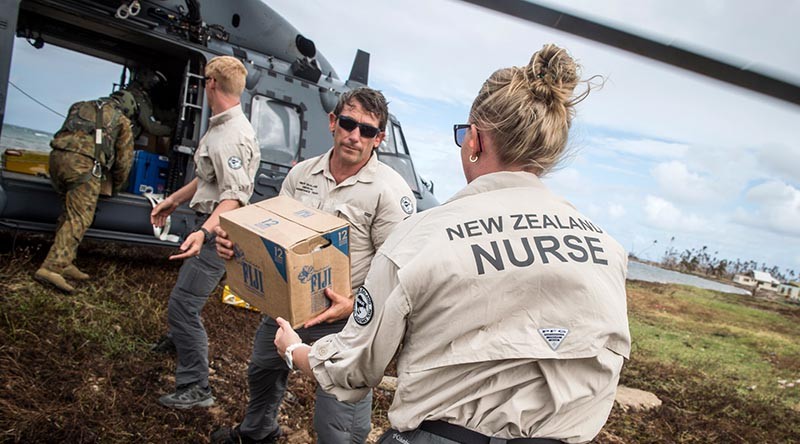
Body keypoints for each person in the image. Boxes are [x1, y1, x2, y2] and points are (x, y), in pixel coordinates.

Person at [274, 44, 631, 444]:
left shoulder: (420, 237)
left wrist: (294, 351)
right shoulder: (608, 250)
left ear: (474, 141)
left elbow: (353, 367)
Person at [211, 87, 416, 444]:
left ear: (379, 138)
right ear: (333, 122)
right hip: (287, 309)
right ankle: (258, 432)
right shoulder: (302, 174)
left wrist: (354, 305)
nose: (355, 136)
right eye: (349, 123)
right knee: (262, 370)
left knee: (338, 422)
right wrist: (237, 247)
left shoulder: (388, 192)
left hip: (344, 323)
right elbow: (272, 233)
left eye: (367, 130)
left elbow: (398, 272)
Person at [151, 55, 260, 409]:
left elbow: (235, 197)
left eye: (203, 80)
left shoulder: (231, 136)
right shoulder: (221, 127)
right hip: (212, 224)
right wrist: (173, 201)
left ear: (211, 84)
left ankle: (196, 387)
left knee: (184, 306)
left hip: (221, 232)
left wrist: (205, 234)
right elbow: (206, 177)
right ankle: (179, 339)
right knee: (186, 296)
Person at [34, 90, 136, 293]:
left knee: (68, 212)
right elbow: (124, 162)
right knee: (80, 217)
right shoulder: (122, 121)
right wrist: (116, 185)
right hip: (83, 166)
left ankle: (66, 261)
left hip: (57, 160)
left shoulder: (79, 105)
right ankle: (51, 268)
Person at [122, 67, 172, 140]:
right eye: (153, 80)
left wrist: (172, 117)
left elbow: (153, 112)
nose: (154, 83)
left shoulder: (142, 95)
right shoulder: (136, 96)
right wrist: (170, 130)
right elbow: (151, 127)